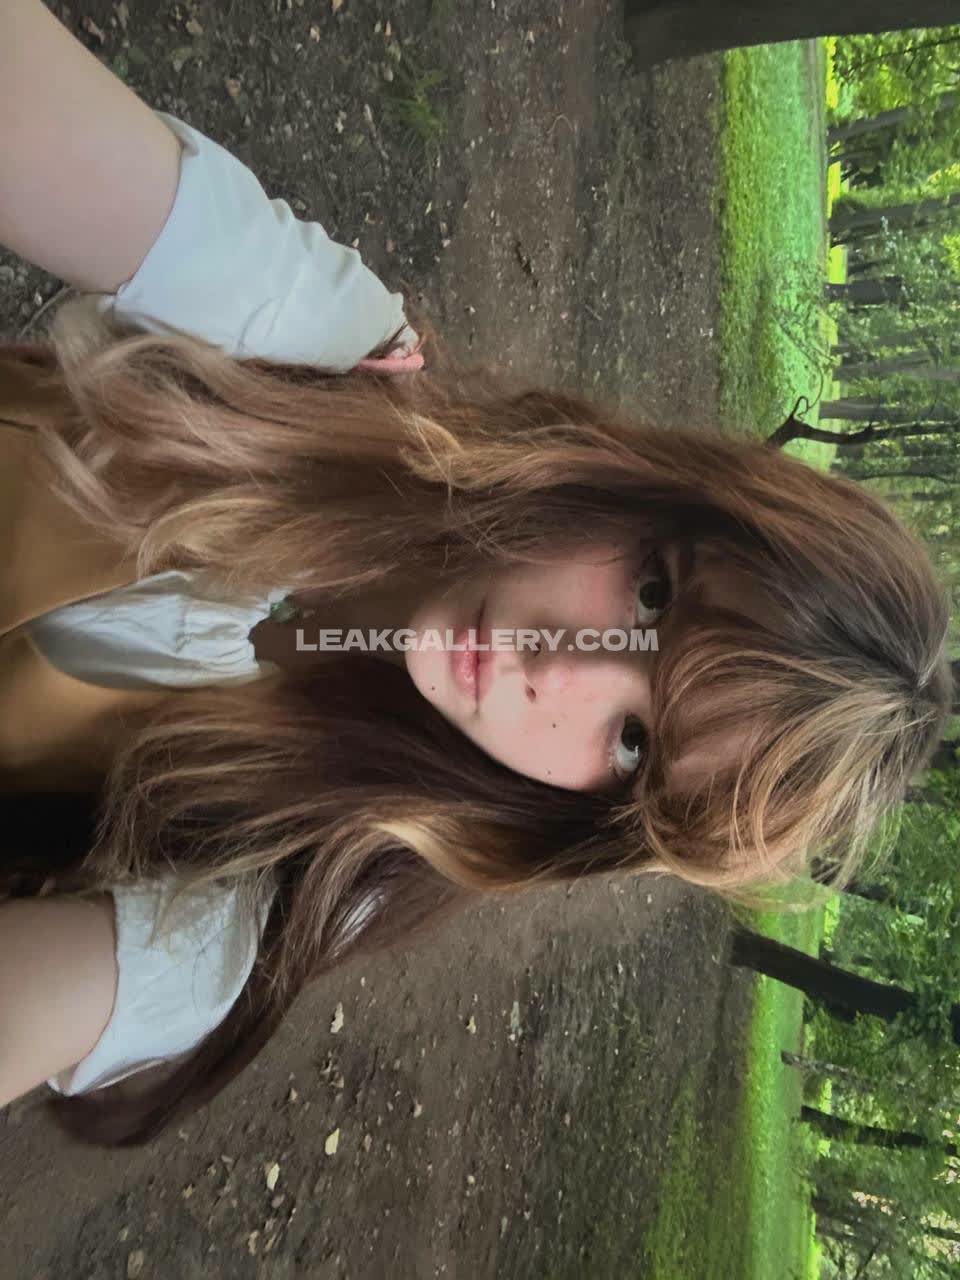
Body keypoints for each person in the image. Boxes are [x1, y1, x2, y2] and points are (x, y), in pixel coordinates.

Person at [0, 0, 951, 1146]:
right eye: (652, 597)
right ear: (642, 495)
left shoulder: (272, 884)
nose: (560, 666)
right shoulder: (318, 355)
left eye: (632, 742)